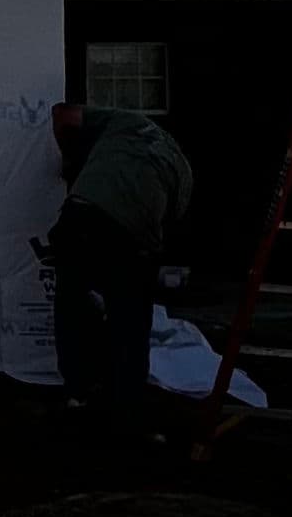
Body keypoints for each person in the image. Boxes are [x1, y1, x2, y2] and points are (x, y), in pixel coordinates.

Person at [43, 99, 195, 433]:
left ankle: (77, 395)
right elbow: (166, 230)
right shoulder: (183, 174)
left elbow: (62, 113)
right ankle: (127, 407)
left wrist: (71, 162)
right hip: (131, 234)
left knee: (71, 301)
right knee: (130, 318)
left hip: (80, 215)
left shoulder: (125, 121)